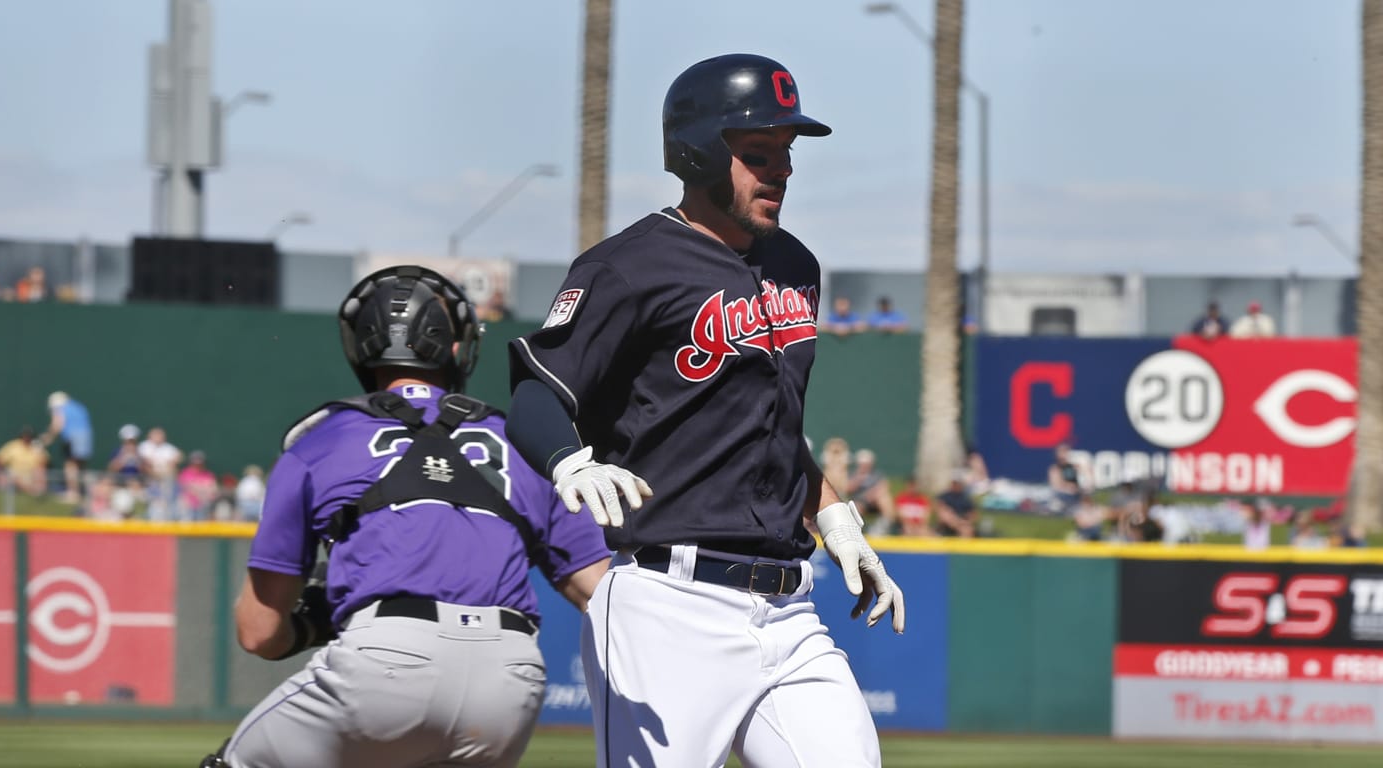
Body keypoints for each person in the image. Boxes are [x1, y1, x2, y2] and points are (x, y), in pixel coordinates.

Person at [503, 54, 904, 768]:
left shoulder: (796, 266)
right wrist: (567, 459)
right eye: (758, 154)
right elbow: (537, 391)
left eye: (785, 154)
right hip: (669, 607)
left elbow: (770, 431)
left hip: (788, 611)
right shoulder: (627, 266)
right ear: (694, 152)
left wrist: (837, 519)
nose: (780, 171)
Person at [203, 265, 610, 768]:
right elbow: (602, 593)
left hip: (386, 663)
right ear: (456, 348)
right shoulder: (519, 442)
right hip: (510, 678)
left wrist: (312, 623)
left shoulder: (321, 440)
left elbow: (259, 632)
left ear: (362, 348)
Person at [43, 391, 93, 504]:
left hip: (73, 438)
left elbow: (57, 424)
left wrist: (48, 437)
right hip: (85, 436)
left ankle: (73, 493)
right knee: (81, 466)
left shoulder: (59, 408)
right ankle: (87, 492)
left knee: (70, 465)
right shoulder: (78, 407)